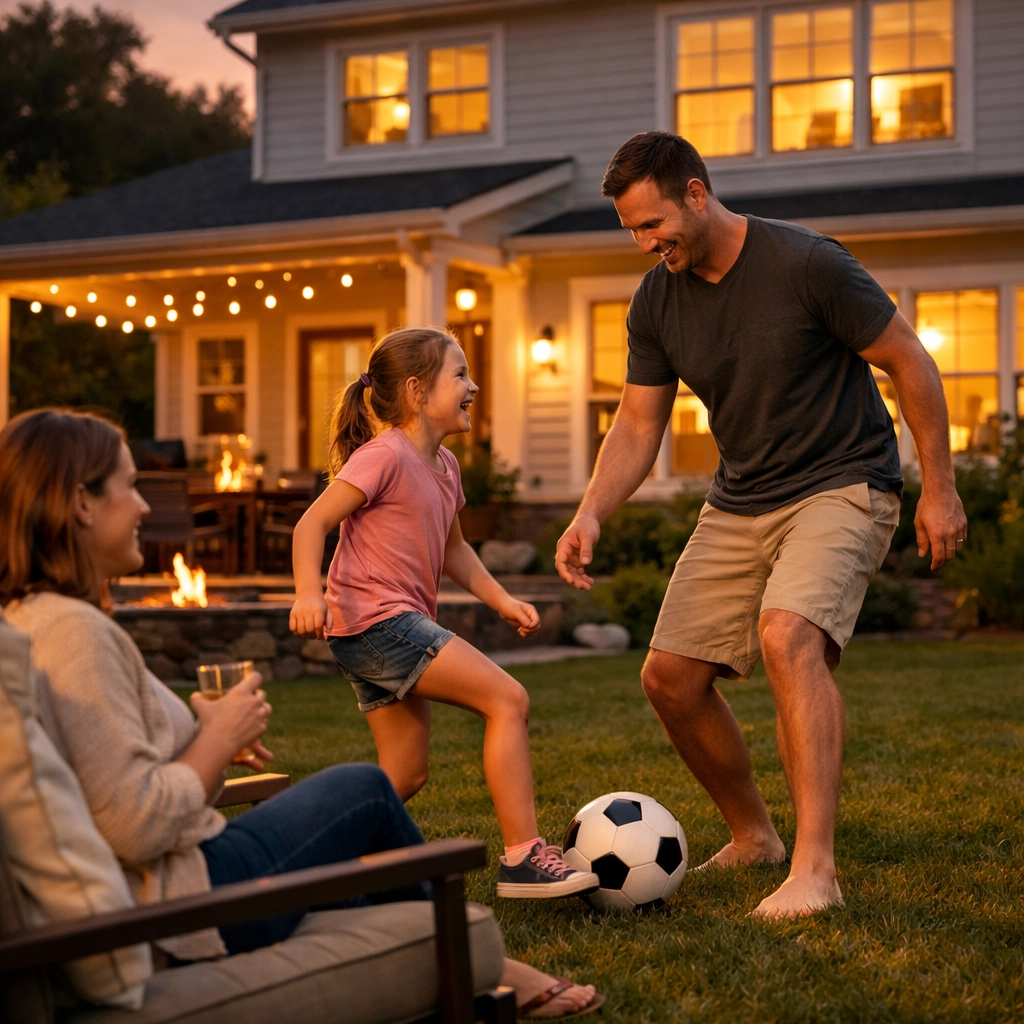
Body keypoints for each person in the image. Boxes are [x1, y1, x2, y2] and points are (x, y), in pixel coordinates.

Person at [0, 408, 601, 1019]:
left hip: (184, 876)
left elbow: (104, 778)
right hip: (186, 898)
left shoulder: (43, 622)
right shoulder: (72, 633)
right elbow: (136, 824)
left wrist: (201, 732)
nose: (145, 506)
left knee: (391, 792)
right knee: (365, 790)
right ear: (80, 504)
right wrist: (217, 735)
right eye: (129, 486)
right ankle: (482, 953)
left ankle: (468, 953)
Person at [555, 131, 968, 919]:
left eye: (653, 225)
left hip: (844, 481)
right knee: (669, 680)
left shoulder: (807, 263)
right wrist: (591, 512)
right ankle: (755, 837)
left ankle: (815, 871)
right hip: (742, 496)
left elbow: (909, 359)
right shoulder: (658, 299)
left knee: (787, 636)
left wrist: (939, 489)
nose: (646, 244)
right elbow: (640, 424)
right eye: (632, 232)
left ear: (696, 194)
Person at [290, 328, 599, 901]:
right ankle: (524, 859)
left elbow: (455, 549)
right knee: (508, 699)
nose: (472, 386)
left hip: (374, 627)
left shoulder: (447, 465)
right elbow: (311, 524)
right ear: (415, 391)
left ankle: (308, 854)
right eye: (459, 375)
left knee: (405, 774)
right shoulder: (382, 455)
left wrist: (503, 600)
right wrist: (309, 593)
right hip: (377, 620)